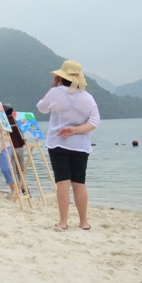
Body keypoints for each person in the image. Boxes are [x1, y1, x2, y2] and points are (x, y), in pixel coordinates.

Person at [37, 60, 100, 230]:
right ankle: (84, 222)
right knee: (79, 183)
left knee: (63, 182)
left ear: (60, 77)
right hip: (81, 145)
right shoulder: (88, 97)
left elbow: (41, 108)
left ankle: (63, 222)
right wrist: (75, 130)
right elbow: (95, 121)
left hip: (58, 142)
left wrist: (52, 87)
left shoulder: (55, 92)